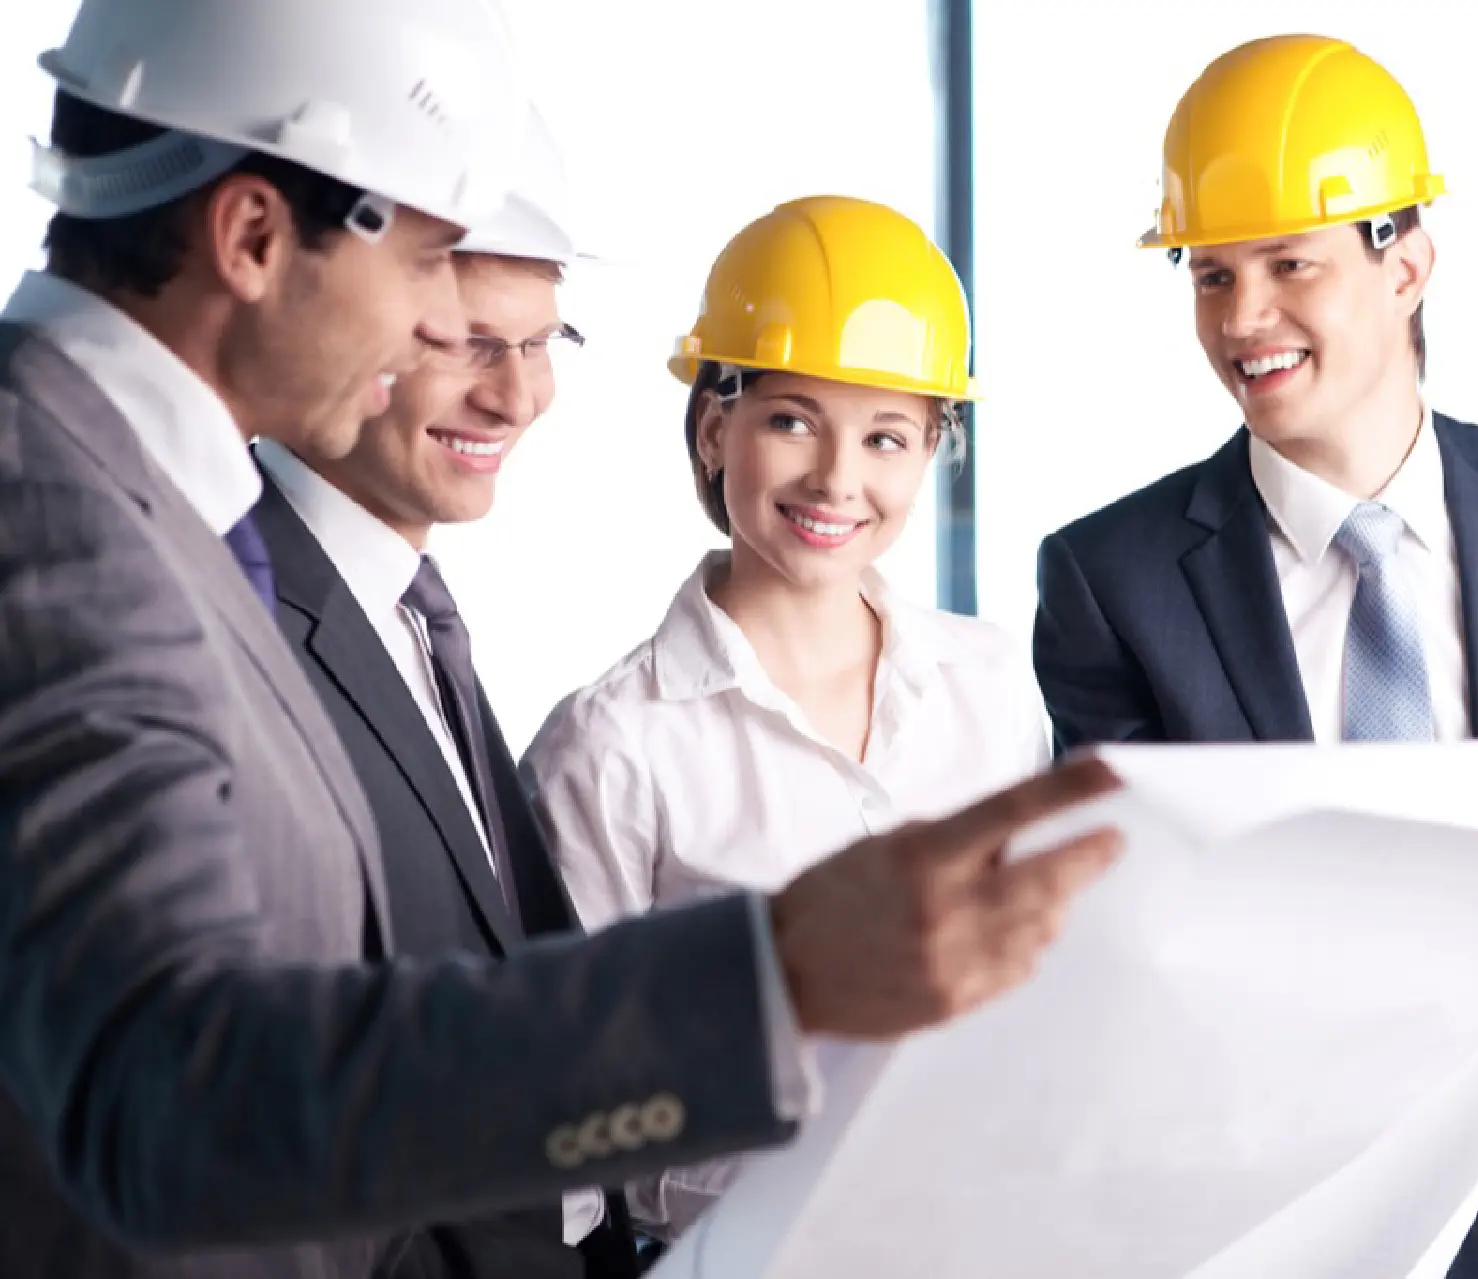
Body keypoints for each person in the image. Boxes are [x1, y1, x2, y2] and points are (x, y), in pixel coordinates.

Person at [0, 4, 1121, 1277]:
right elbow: (175, 1101)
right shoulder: (49, 511)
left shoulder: (148, 506)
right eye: (431, 267)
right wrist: (777, 979)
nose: (444, 334)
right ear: (253, 235)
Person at [1030, 34, 1478, 1279]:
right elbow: (1128, 925)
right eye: (1209, 276)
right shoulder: (1114, 577)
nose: (1241, 320)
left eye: (1288, 266)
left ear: (1407, 264)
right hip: (1284, 1206)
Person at [521, 194, 1054, 1241]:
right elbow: (564, 1106)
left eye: (888, 436)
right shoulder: (615, 743)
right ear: (717, 429)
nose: (837, 479)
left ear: (934, 450)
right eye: (792, 419)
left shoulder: (988, 686)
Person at [249, 107, 645, 1278]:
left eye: (545, 342)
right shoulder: (236, 616)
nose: (517, 397)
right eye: (468, 341)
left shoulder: (408, 613)